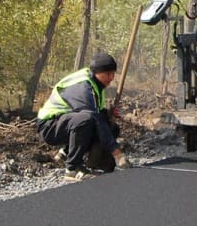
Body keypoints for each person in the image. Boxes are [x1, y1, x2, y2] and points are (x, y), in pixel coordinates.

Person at [37, 52, 130, 180]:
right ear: (98, 72)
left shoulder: (96, 85)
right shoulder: (82, 86)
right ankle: (72, 169)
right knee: (86, 120)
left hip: (67, 122)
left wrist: (108, 113)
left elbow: (98, 114)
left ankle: (91, 161)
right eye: (108, 74)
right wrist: (117, 153)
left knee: (110, 125)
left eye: (113, 73)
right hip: (50, 126)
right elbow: (92, 118)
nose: (112, 77)